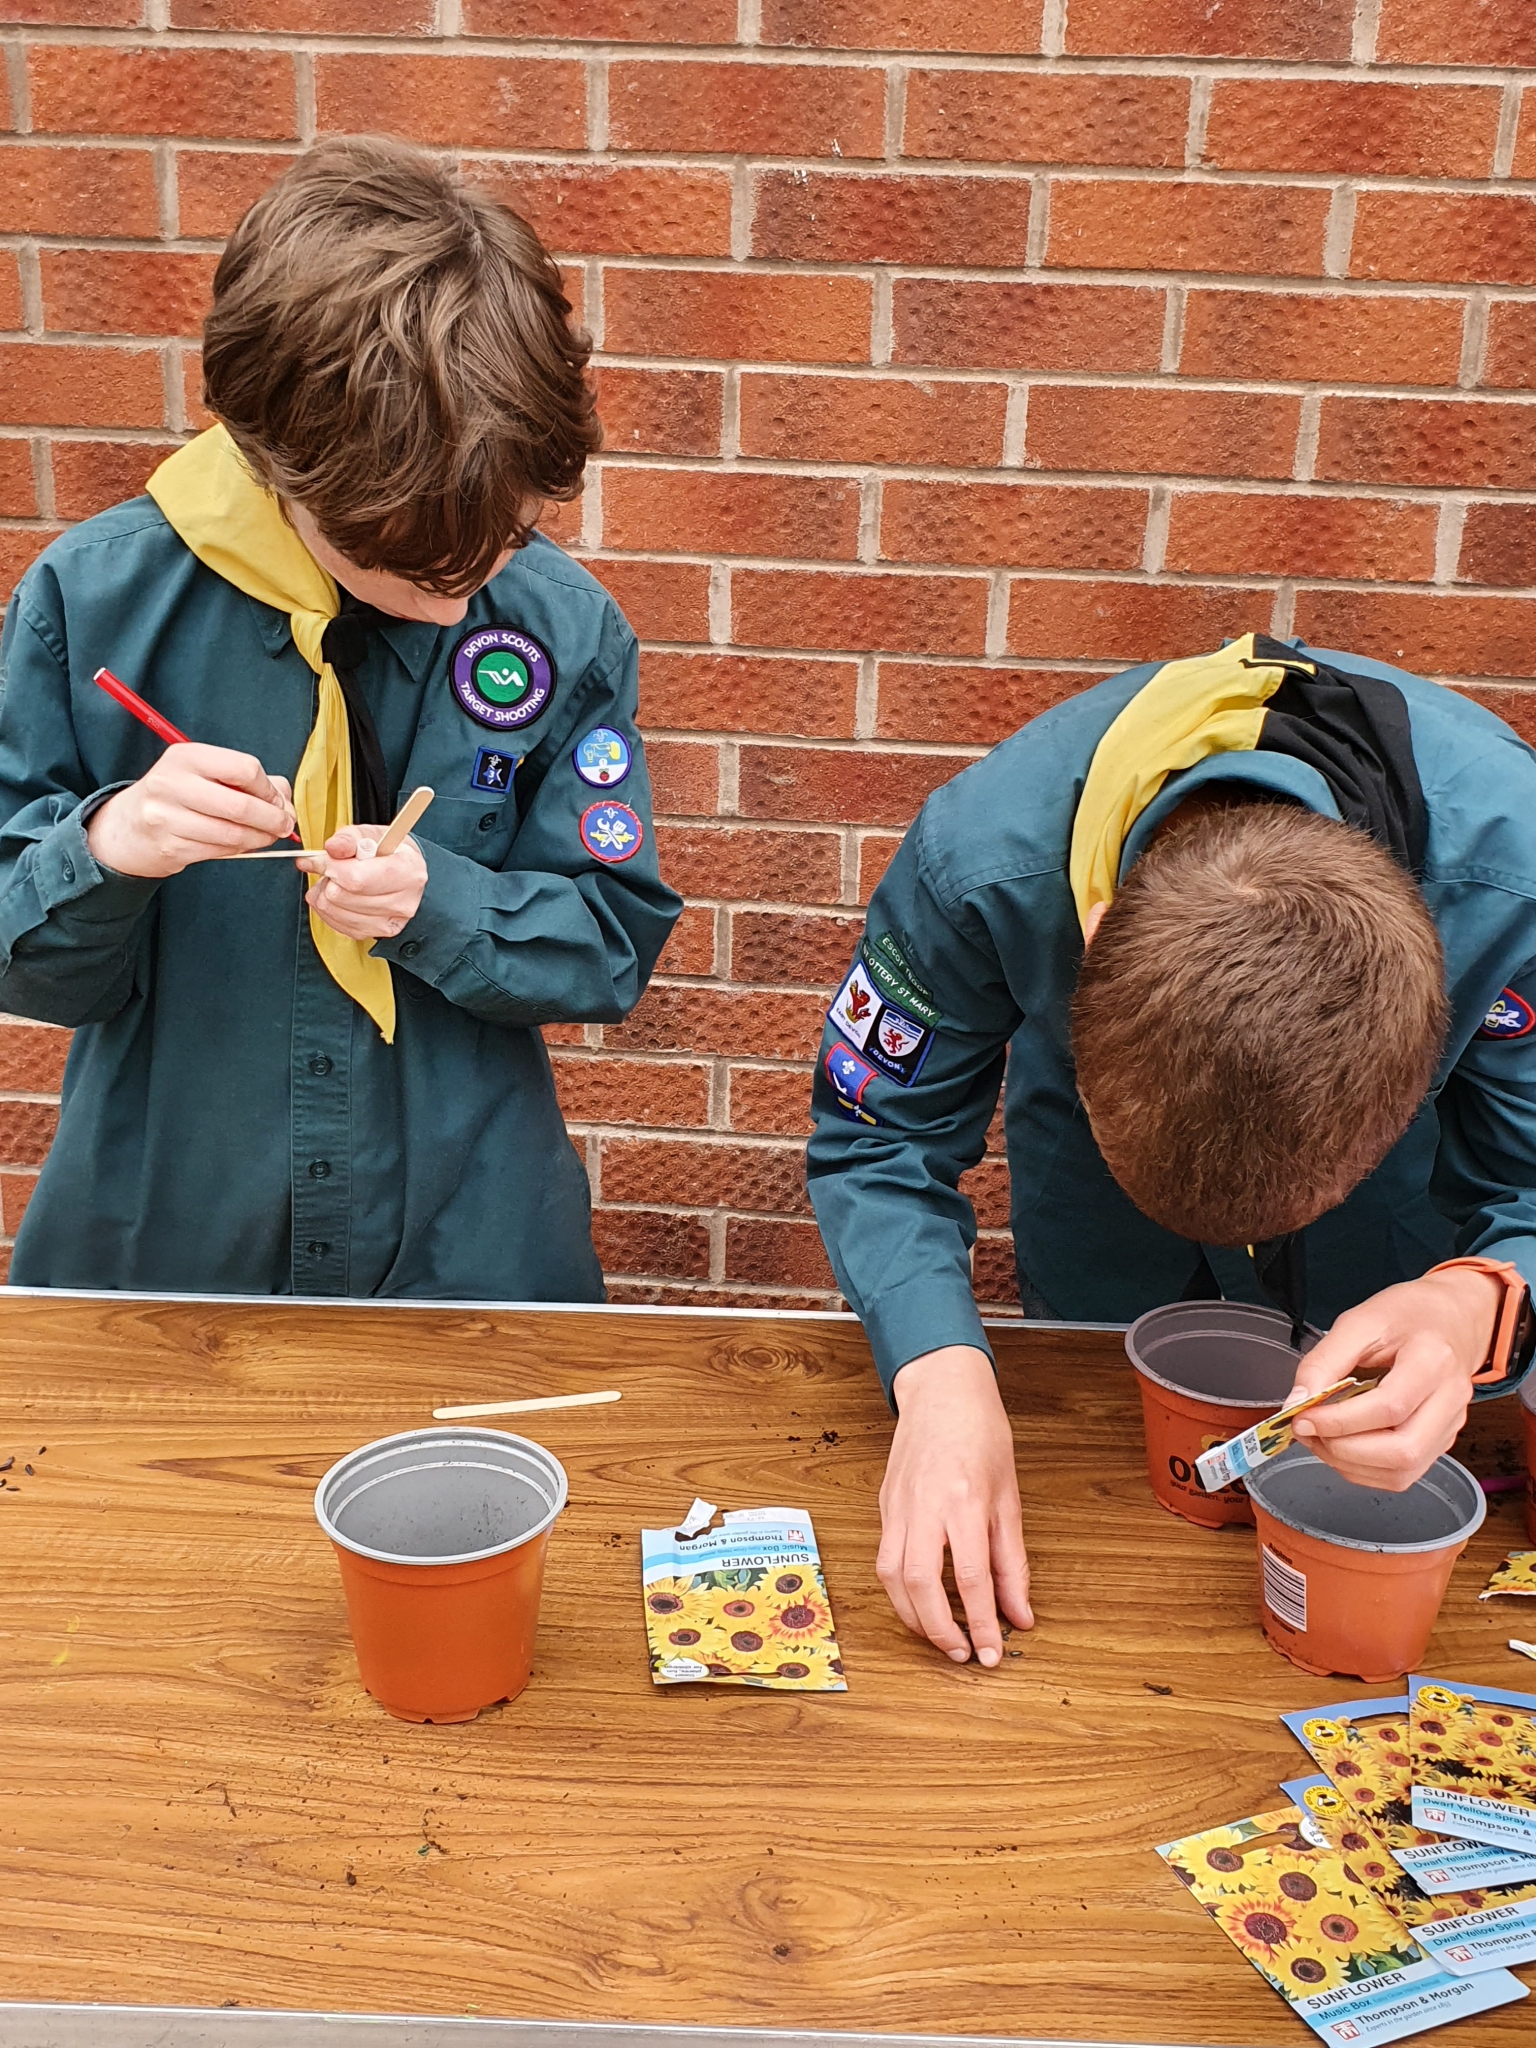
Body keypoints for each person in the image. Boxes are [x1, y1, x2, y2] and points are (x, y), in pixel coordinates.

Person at [0, 135, 680, 1299]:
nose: (467, 591)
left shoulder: (563, 629)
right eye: (420, 560)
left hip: (472, 1249)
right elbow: (32, 969)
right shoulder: (90, 604)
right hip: (169, 1246)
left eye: (502, 536)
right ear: (287, 471)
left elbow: (612, 939)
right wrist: (106, 849)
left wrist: (443, 902)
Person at [807, 632, 1536, 1667]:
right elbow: (876, 1140)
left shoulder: (1518, 886)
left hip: (1380, 1282)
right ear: (1090, 939)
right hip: (1097, 1286)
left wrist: (1475, 1301)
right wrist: (936, 1374)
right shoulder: (979, 861)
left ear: (1439, 1029)